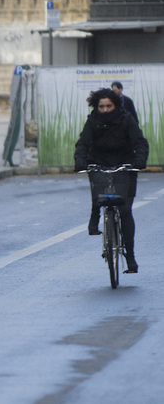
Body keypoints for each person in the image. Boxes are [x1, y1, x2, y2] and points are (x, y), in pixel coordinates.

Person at [74, 87, 148, 273]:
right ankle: (94, 217)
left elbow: (140, 141)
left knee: (124, 210)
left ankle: (130, 257)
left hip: (125, 164)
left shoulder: (126, 119)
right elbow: (83, 143)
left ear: (115, 105)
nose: (105, 110)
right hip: (99, 161)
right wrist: (80, 160)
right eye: (101, 106)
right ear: (96, 107)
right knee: (98, 188)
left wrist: (139, 160)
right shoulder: (92, 120)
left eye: (109, 106)